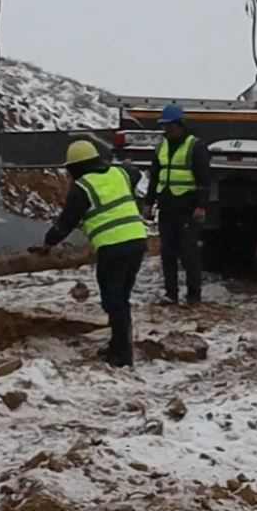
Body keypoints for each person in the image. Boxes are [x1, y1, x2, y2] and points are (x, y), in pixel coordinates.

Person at [29, 139, 149, 367]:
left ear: (75, 167)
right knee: (121, 299)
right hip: (136, 243)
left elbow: (66, 222)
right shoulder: (119, 173)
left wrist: (48, 243)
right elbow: (135, 173)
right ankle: (119, 345)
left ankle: (122, 354)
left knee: (113, 301)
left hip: (113, 248)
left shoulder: (82, 187)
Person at [148, 103, 208, 305]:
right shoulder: (161, 147)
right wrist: (148, 203)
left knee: (189, 253)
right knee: (168, 252)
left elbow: (203, 180)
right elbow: (154, 177)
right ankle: (170, 293)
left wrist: (201, 205)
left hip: (187, 207)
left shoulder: (195, 146)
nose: (166, 130)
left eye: (170, 126)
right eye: (164, 126)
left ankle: (193, 295)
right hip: (166, 205)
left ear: (180, 125)